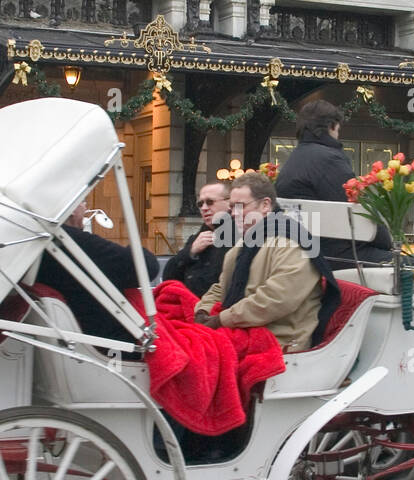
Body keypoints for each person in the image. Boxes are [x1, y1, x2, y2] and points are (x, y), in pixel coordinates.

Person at [196, 172, 340, 353]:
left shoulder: (294, 243)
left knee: (195, 354)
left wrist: (221, 319)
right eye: (232, 207)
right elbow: (222, 285)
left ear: (265, 205)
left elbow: (276, 299)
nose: (233, 214)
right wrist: (203, 310)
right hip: (245, 327)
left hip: (281, 340)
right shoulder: (245, 242)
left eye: (240, 206)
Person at [274, 100, 394, 268]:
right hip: (338, 256)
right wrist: (386, 240)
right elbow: (357, 208)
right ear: (331, 126)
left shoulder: (292, 161)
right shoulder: (330, 160)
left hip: (305, 251)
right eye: (338, 129)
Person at [35, 200, 159, 343]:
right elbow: (148, 268)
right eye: (83, 202)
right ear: (73, 209)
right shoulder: (77, 242)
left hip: (66, 332)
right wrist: (133, 248)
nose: (86, 206)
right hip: (106, 339)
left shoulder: (39, 241)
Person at [163, 181, 233, 297]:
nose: (204, 208)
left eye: (210, 202)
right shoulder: (196, 239)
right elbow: (168, 277)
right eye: (200, 204)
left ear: (229, 203)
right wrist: (190, 252)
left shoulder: (239, 237)